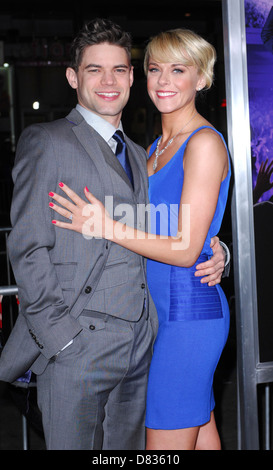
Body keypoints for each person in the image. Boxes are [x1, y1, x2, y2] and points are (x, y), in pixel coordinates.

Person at [0, 20, 227, 450]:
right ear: (72, 77)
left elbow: (183, 239)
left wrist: (217, 248)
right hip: (86, 343)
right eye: (157, 68)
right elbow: (27, 247)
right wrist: (62, 338)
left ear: (201, 77)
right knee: (198, 428)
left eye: (120, 69)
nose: (109, 81)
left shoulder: (174, 148)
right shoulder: (142, 149)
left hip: (168, 326)